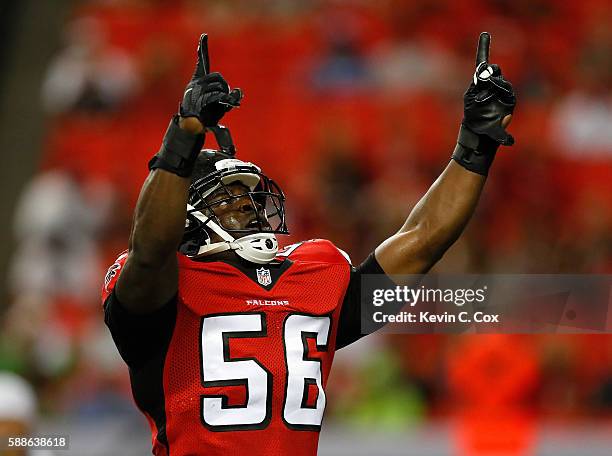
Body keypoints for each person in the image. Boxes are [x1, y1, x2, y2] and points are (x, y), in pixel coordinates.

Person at [102, 32, 515, 455]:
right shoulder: (163, 291)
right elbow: (149, 251)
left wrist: (475, 146)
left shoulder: (312, 275)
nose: (248, 206)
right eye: (227, 197)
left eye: (249, 195)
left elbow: (422, 241)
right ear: (184, 213)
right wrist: (183, 137)